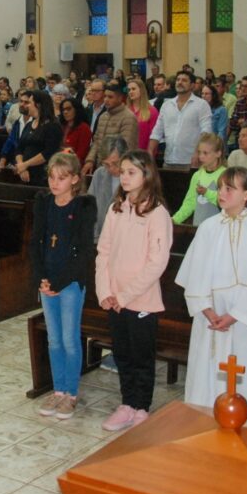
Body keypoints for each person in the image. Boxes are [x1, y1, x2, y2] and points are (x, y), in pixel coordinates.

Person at [175, 166, 247, 417]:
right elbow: (194, 273)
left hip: (241, 319)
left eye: (230, 188)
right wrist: (206, 309)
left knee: (242, 371)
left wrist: (234, 315)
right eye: (220, 187)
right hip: (211, 314)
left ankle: (245, 421)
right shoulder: (208, 227)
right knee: (207, 371)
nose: (222, 193)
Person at [96, 149, 172, 432]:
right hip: (114, 299)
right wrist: (105, 291)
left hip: (141, 300)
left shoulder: (157, 213)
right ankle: (126, 403)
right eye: (123, 172)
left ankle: (141, 407)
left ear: (146, 175)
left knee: (141, 356)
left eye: (131, 172)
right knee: (122, 353)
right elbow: (103, 251)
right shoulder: (117, 208)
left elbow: (157, 262)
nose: (124, 177)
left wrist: (125, 296)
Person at [33, 152, 97, 420]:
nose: (54, 183)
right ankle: (58, 390)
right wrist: (41, 278)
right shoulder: (44, 202)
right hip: (47, 281)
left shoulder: (84, 205)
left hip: (70, 282)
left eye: (61, 178)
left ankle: (71, 393)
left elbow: (83, 251)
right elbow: (36, 241)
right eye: (51, 177)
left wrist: (59, 282)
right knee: (53, 338)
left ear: (74, 179)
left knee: (70, 339)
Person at [148, 72, 212, 171]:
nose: (180, 82)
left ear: (192, 85)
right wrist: (150, 151)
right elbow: (157, 131)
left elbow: (206, 131)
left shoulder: (201, 105)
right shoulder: (167, 105)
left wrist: (198, 152)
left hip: (191, 161)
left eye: (184, 80)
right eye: (178, 80)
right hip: (169, 161)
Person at [82, 80, 139, 176]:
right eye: (105, 96)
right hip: (101, 166)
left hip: (118, 168)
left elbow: (126, 147)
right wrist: (90, 160)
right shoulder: (103, 116)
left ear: (120, 98)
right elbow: (96, 141)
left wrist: (113, 166)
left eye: (110, 97)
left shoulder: (128, 117)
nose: (106, 100)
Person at [172, 133, 226, 226]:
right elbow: (190, 203)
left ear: (218, 153)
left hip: (218, 228)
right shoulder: (197, 175)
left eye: (205, 153)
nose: (201, 156)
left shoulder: (225, 174)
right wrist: (174, 220)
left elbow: (226, 201)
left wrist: (207, 192)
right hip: (198, 226)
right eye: (199, 152)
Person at [14, 90, 63, 185]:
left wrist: (26, 164)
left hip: (43, 175)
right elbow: (19, 148)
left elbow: (48, 152)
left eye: (29, 103)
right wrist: (21, 166)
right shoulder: (29, 125)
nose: (27, 105)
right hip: (25, 173)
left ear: (38, 105)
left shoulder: (52, 125)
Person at [127, 78, 157, 151]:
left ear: (141, 90)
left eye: (133, 89)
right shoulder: (126, 110)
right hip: (126, 155)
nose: (131, 92)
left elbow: (154, 137)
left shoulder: (152, 111)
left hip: (143, 155)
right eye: (129, 90)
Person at [59, 97, 91, 163]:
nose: (65, 112)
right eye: (63, 110)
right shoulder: (62, 126)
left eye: (69, 109)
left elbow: (81, 153)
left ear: (76, 110)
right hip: (60, 161)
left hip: (74, 165)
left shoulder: (84, 128)